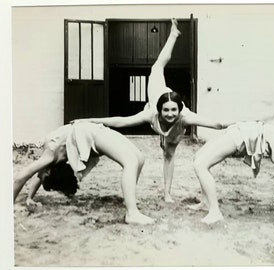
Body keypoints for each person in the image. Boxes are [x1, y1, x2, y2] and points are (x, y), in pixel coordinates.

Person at [72, 19, 227, 203]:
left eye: (173, 111)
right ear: (159, 110)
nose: (170, 114)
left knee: (168, 155)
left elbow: (216, 124)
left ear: (179, 109)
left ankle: (167, 194)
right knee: (157, 67)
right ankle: (173, 35)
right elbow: (120, 121)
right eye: (166, 111)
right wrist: (87, 119)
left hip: (174, 130)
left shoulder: (185, 117)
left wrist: (241, 123)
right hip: (157, 93)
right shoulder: (151, 112)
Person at [13, 122, 155, 225]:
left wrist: (11, 205)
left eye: (42, 175)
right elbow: (40, 176)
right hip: (90, 131)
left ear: (49, 171)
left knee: (137, 159)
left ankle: (131, 211)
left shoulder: (49, 157)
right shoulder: (50, 162)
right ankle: (132, 209)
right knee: (134, 160)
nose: (39, 175)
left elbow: (20, 177)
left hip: (88, 131)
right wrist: (30, 197)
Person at [190, 121, 274, 225]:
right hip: (245, 130)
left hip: (243, 135)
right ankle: (205, 202)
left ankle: (215, 213)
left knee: (200, 164)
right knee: (198, 157)